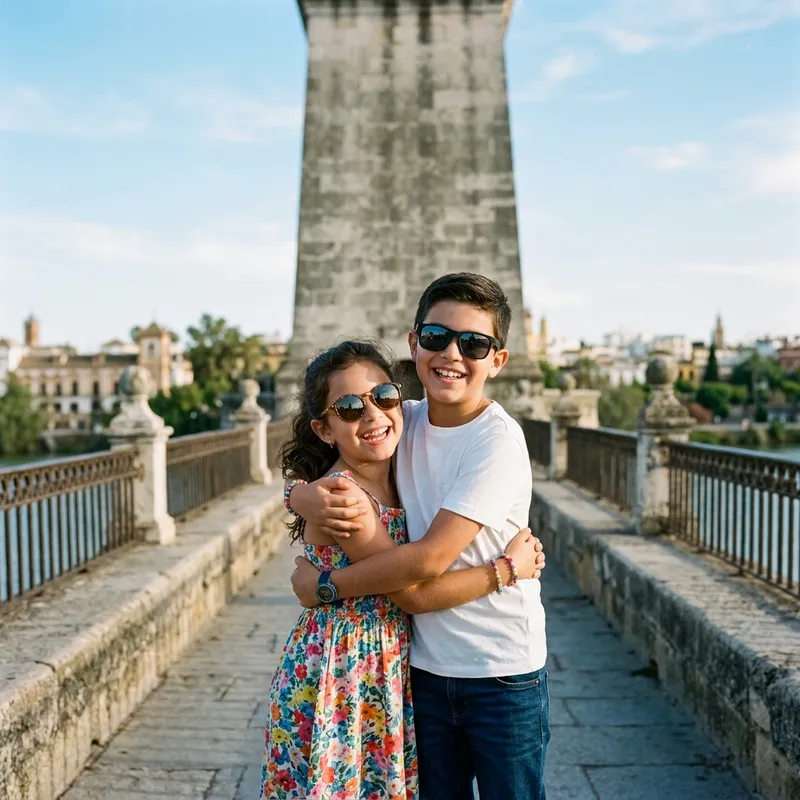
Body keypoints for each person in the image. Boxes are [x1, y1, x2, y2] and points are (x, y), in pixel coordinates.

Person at [289, 273, 550, 800]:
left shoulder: (496, 442)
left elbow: (425, 567)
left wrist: (326, 584)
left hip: (499, 672)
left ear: (497, 361)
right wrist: (300, 494)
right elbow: (343, 441)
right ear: (415, 344)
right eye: (436, 337)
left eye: (474, 343)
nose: (451, 353)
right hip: (421, 671)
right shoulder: (397, 418)